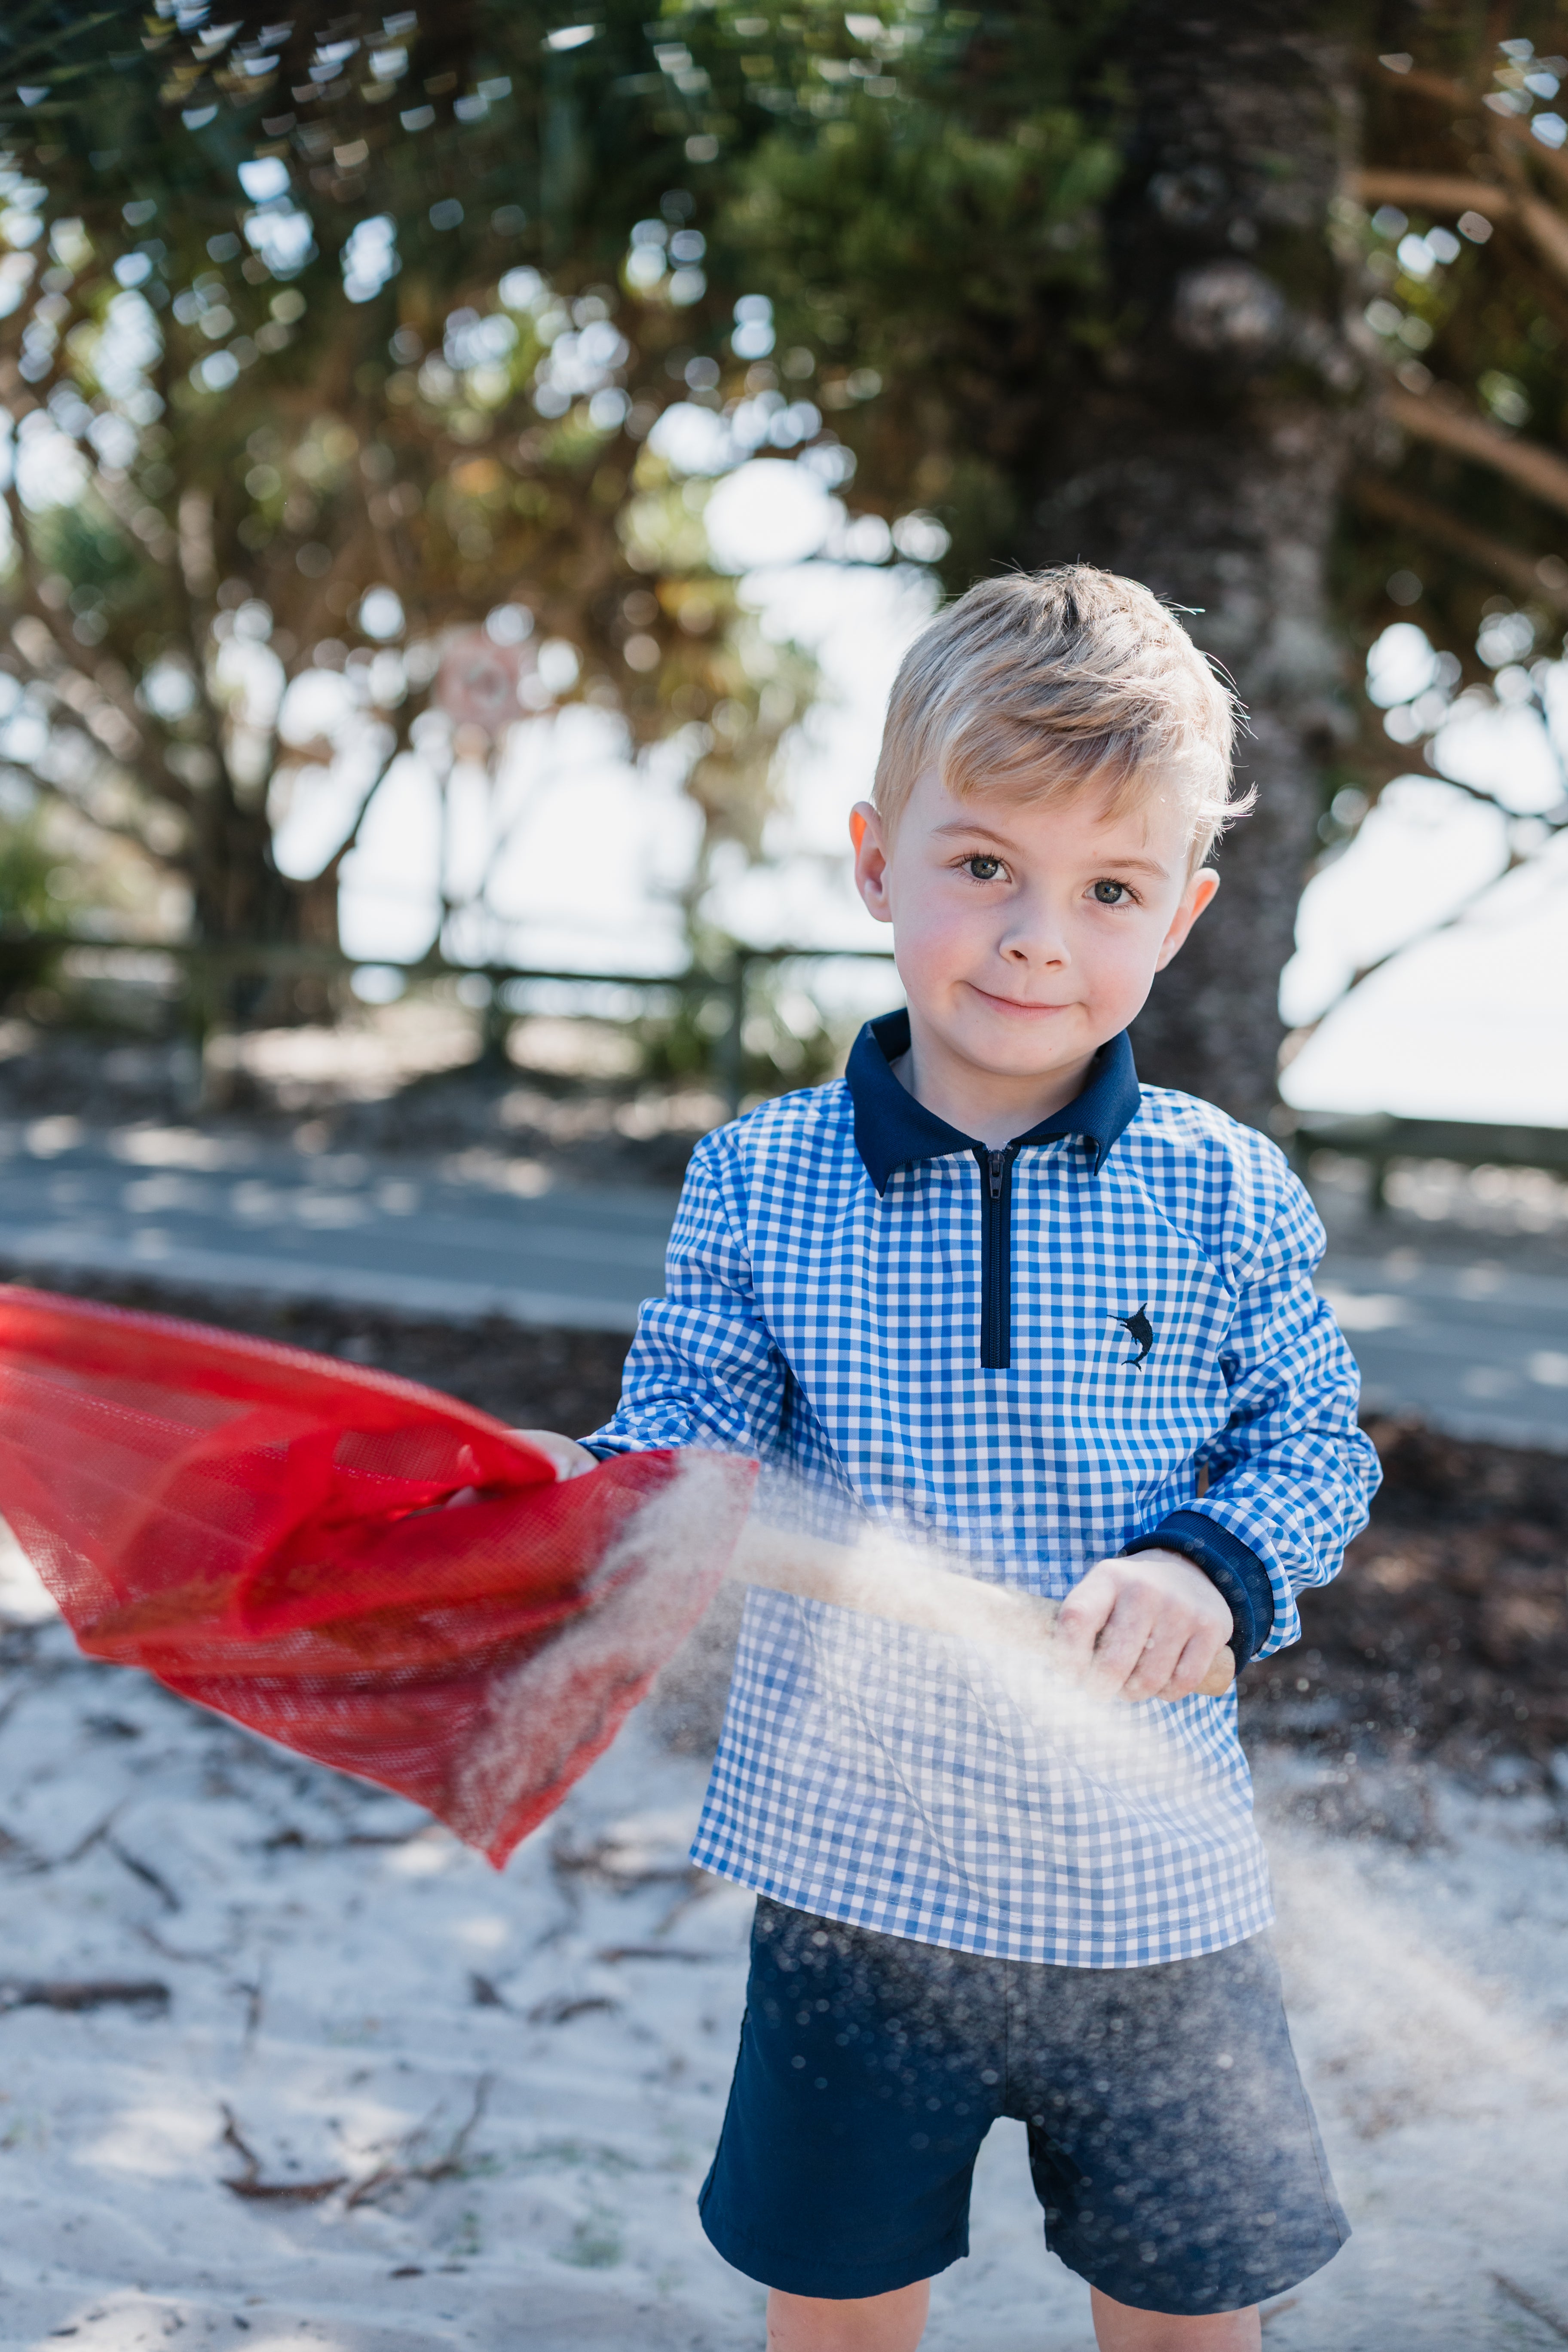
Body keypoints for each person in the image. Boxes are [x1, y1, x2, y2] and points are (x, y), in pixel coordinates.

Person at [523, 567, 1379, 2352]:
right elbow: (688, 1434)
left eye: (1109, 889)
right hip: (854, 1892)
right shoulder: (762, 1179)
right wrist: (595, 1494)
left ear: (1185, 916)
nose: (1035, 937)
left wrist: (1205, 1567)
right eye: (983, 864)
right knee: (836, 2306)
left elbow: (1311, 1443)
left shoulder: (1219, 1192)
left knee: (1181, 2315)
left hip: (1152, 1897)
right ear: (874, 860)